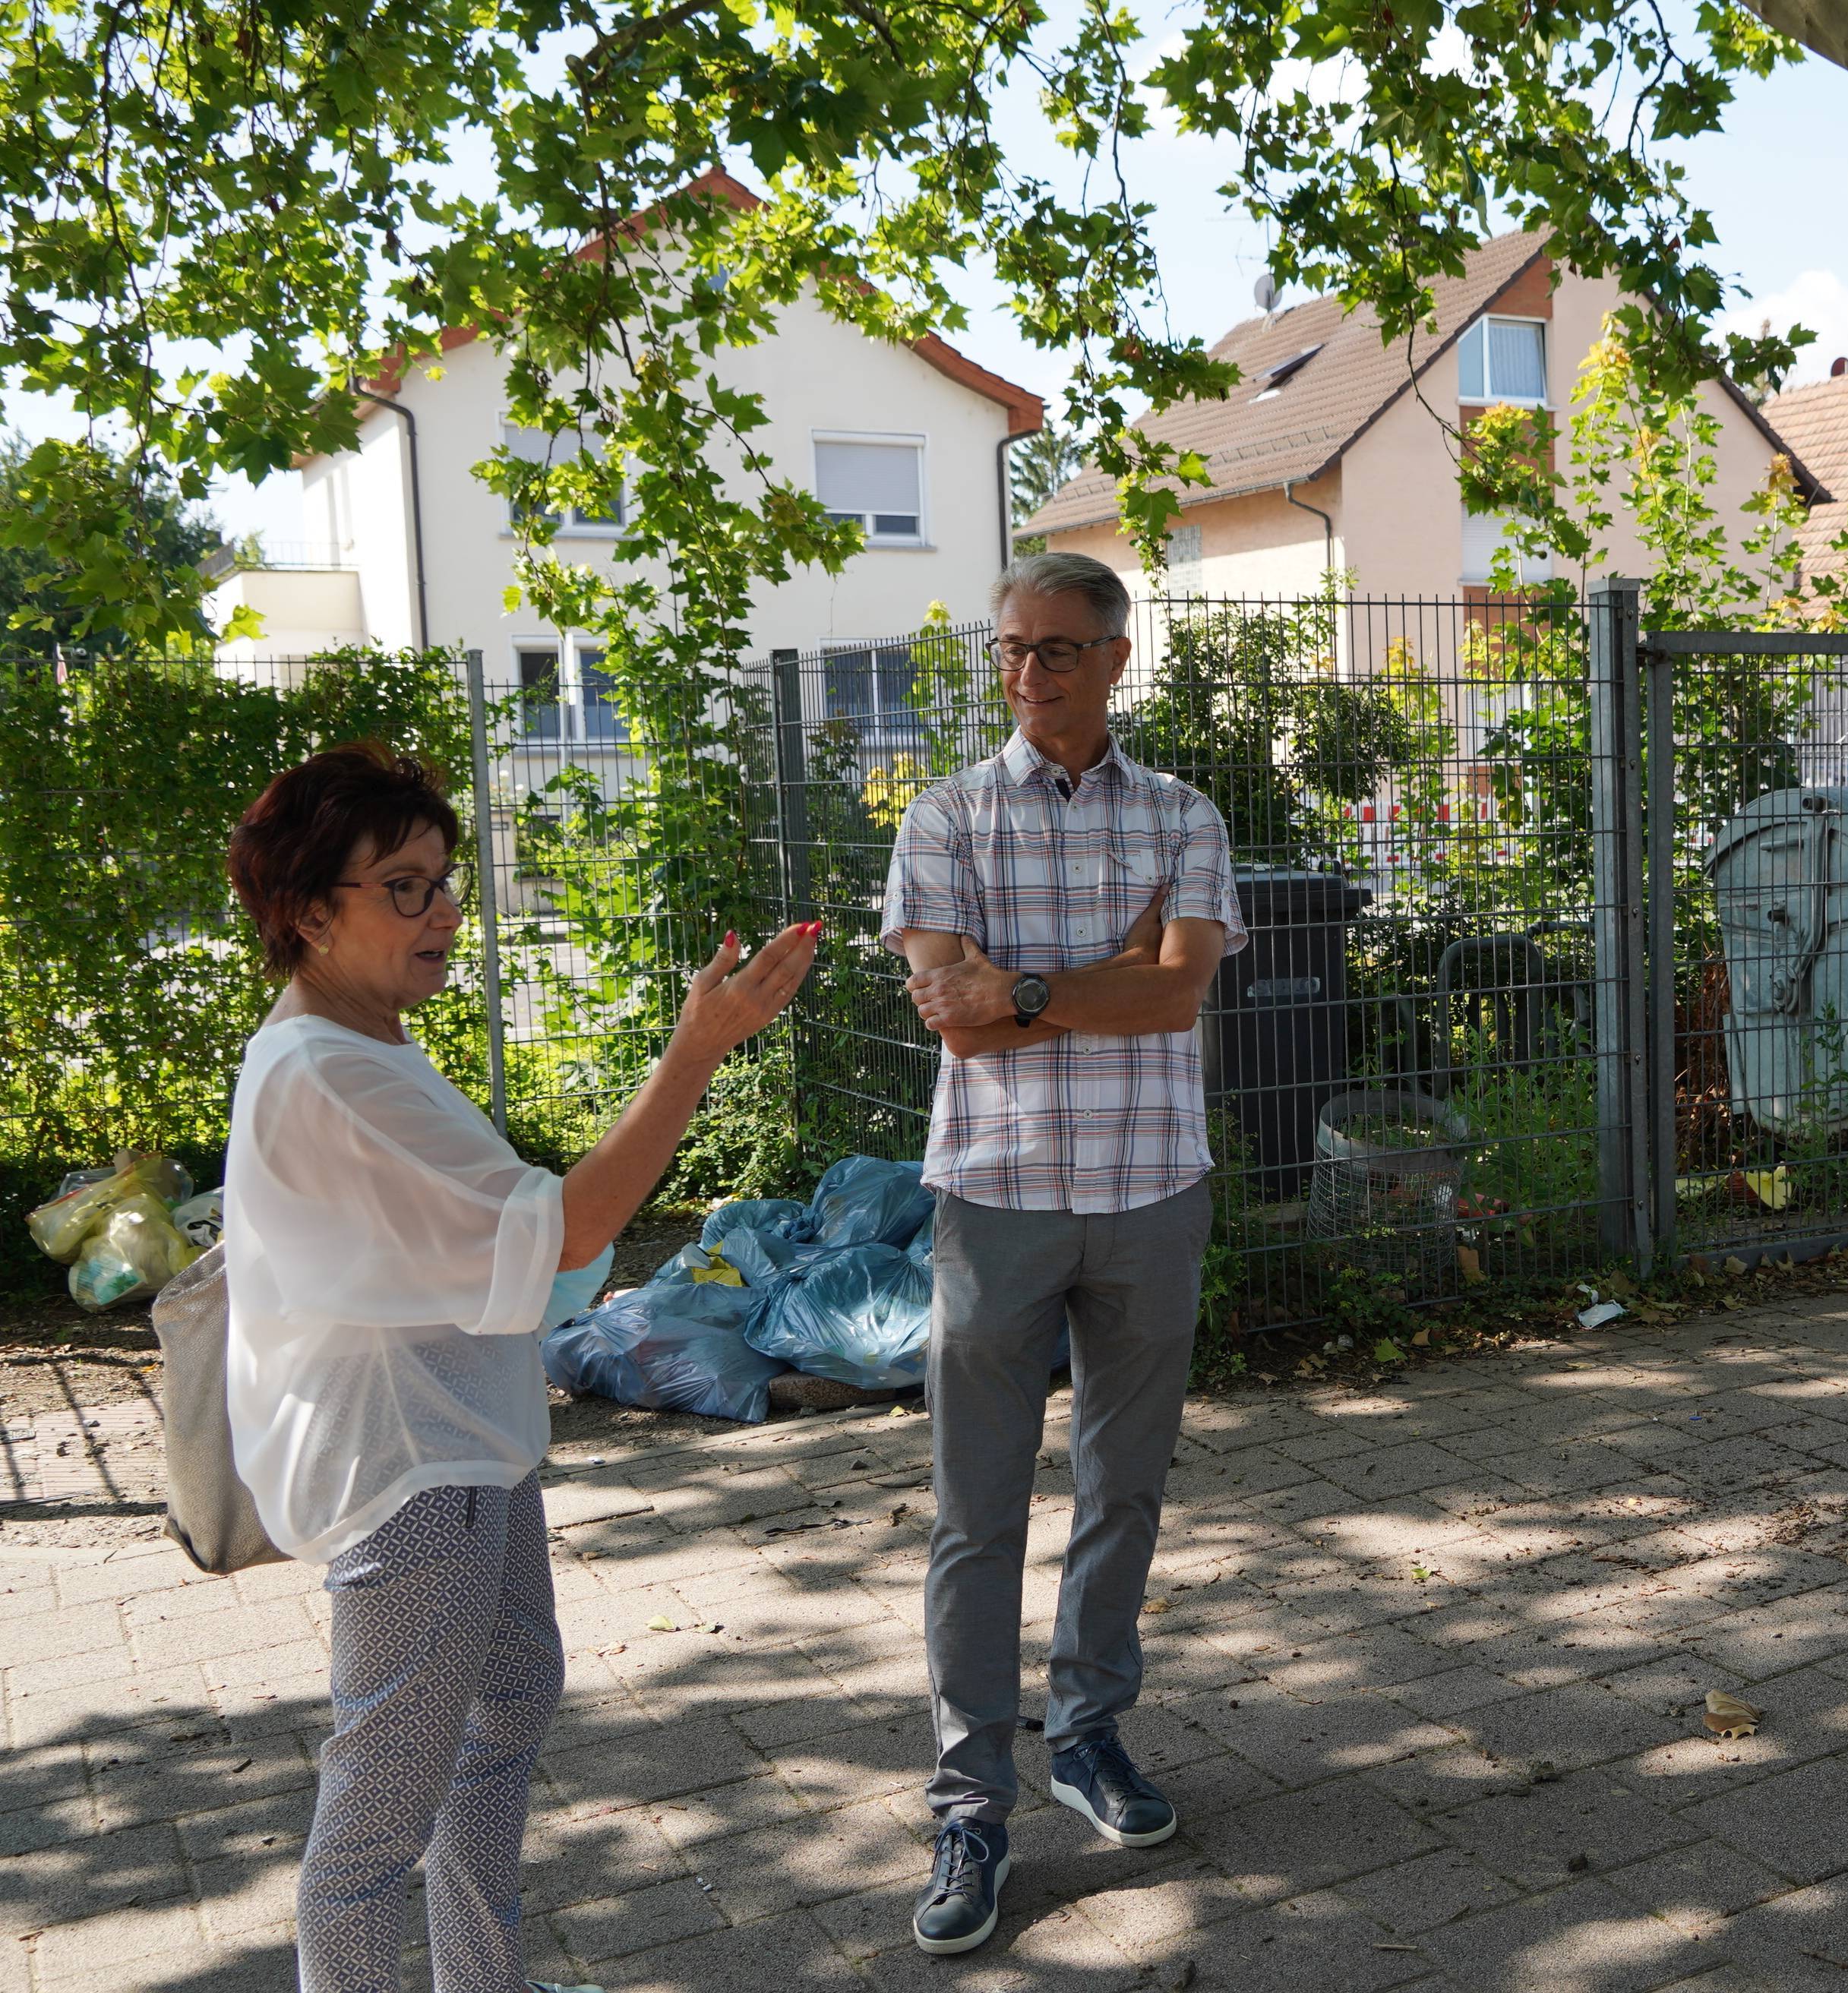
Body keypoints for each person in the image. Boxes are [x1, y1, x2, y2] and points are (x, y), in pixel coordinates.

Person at [222, 742, 817, 1993]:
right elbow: (568, 1227)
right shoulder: (328, 1070)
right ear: (307, 911)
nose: (442, 912)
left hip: (463, 1442)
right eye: (403, 887)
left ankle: (481, 1978)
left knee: (508, 1702)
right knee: (381, 1801)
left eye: (443, 881)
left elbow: (517, 1251)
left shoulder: (360, 1044)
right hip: (410, 1470)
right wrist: (699, 1048)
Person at [880, 551, 1245, 1957]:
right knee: (978, 1512)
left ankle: (1089, 1735)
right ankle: (970, 1802)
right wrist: (1111, 980)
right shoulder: (947, 815)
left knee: (1124, 1486)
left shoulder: (1185, 814)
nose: (1030, 674)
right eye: (1013, 649)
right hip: (999, 1191)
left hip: (1155, 1187)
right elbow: (956, 1025)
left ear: (1117, 656)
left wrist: (1024, 983)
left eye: (1059, 650)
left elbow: (1183, 995)